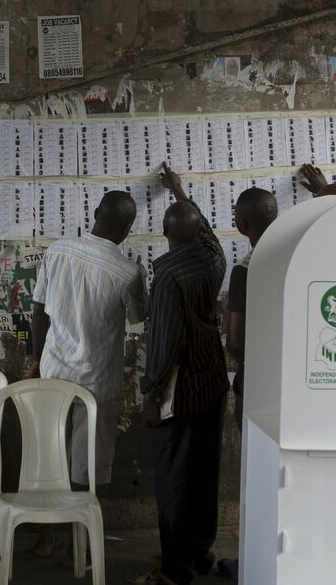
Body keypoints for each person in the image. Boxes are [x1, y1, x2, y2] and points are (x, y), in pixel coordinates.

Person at [31, 189, 148, 555]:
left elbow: (38, 313)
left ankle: (46, 536)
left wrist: (37, 361)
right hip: (98, 381)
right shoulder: (128, 272)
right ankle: (81, 540)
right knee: (88, 465)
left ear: (95, 212)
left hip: (53, 372)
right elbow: (139, 316)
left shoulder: (58, 251)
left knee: (48, 455)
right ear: (128, 229)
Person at [134, 164, 227, 585]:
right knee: (204, 471)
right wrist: (179, 191)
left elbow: (165, 342)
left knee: (173, 476)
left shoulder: (168, 274)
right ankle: (198, 552)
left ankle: (174, 570)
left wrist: (151, 390)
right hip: (212, 381)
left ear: (166, 234)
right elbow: (203, 229)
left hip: (180, 389)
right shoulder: (215, 255)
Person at [216, 188, 279, 581]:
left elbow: (235, 341)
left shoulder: (247, 267)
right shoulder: (298, 253)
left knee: (257, 477)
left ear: (241, 224)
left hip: (258, 384)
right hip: (301, 386)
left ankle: (253, 560)